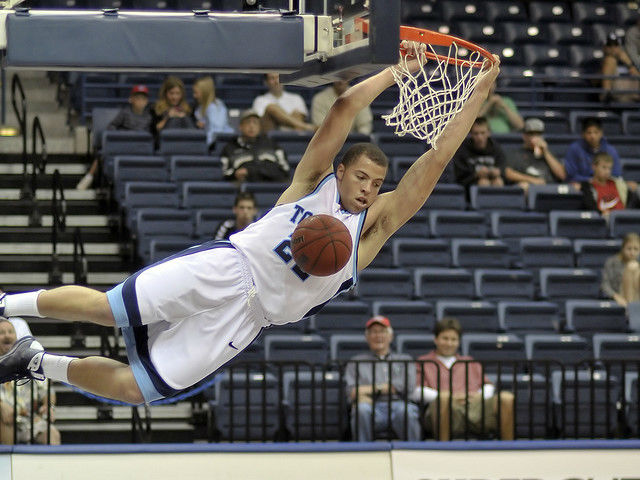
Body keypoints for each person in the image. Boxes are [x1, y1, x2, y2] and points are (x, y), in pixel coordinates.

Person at [0, 51, 501, 406]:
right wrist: (396, 71)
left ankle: (36, 361)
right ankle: (6, 303)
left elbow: (435, 161)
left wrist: (476, 94)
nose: (370, 189)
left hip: (249, 318)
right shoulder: (312, 182)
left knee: (140, 389)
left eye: (378, 183)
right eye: (363, 176)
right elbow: (346, 107)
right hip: (227, 265)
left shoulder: (369, 234)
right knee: (110, 310)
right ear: (342, 172)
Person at [414, 317, 514, 441]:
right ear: (436, 339)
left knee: (506, 398)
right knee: (444, 398)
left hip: (474, 406)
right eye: (445, 338)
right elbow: (416, 391)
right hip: (444, 408)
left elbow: (488, 385)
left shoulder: (469, 361)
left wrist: (480, 396)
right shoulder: (424, 361)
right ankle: (443, 450)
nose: (449, 343)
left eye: (453, 339)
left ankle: (508, 449)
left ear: (458, 342)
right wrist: (448, 396)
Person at [344, 316, 421, 441]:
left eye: (382, 331)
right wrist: (389, 388)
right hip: (370, 406)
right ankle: (362, 453)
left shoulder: (404, 360)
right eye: (373, 332)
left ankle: (414, 453)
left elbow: (407, 386)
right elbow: (352, 392)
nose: (378, 336)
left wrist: (369, 390)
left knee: (406, 411)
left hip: (398, 404)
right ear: (367, 337)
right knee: (361, 410)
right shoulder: (356, 361)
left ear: (390, 336)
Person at [76, 84, 153, 190]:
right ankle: (89, 177)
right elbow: (111, 126)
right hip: (123, 145)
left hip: (139, 148)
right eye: (138, 98)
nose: (140, 101)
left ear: (147, 101)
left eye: (143, 99)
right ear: (131, 99)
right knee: (103, 153)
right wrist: (121, 135)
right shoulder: (125, 113)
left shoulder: (148, 117)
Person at [0, 319, 60, 445]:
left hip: (29, 419)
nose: (7, 335)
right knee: (3, 423)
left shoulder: (30, 361)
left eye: (10, 332)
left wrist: (48, 406)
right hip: (5, 420)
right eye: (2, 332)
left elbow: (47, 391)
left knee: (52, 434)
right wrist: (1, 406)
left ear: (16, 337)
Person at [220, 109, 290, 183]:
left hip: (272, 187)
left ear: (259, 127)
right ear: (240, 127)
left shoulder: (272, 145)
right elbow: (225, 173)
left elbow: (285, 170)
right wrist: (235, 174)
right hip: (245, 188)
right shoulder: (230, 147)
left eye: (255, 123)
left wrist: (252, 171)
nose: (251, 126)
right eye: (248, 122)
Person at [504, 117, 566, 193]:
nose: (535, 137)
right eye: (532, 134)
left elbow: (562, 175)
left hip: (550, 189)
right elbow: (508, 173)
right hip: (531, 189)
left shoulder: (548, 154)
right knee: (524, 186)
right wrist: (532, 180)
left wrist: (546, 152)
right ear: (524, 136)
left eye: (538, 134)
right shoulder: (515, 153)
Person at [564, 117, 625, 189]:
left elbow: (616, 175)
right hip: (582, 186)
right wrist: (589, 181)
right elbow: (571, 175)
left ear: (601, 133)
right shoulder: (574, 149)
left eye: (596, 132)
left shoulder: (610, 151)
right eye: (589, 133)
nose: (592, 136)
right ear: (583, 134)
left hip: (605, 186)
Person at [452, 116, 506, 190]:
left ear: (489, 133)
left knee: (498, 181)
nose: (480, 137)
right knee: (483, 182)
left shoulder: (496, 148)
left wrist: (497, 172)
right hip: (470, 185)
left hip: (493, 180)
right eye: (476, 133)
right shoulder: (463, 150)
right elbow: (460, 176)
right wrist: (476, 175)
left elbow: (503, 168)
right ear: (471, 134)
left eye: (483, 133)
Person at [581, 152, 638, 217]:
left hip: (623, 220)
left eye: (609, 168)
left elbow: (632, 202)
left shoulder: (619, 184)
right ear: (594, 167)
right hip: (603, 221)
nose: (607, 172)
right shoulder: (588, 186)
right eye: (604, 167)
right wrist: (601, 213)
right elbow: (590, 207)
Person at [192, 76, 233, 148]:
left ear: (205, 92)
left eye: (196, 93)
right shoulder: (200, 107)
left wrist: (207, 147)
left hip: (221, 144)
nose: (194, 96)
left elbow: (217, 131)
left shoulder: (215, 107)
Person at [600, 32, 640, 103]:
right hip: (615, 99)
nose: (612, 48)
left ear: (620, 47)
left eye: (615, 45)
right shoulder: (603, 61)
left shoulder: (627, 62)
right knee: (610, 59)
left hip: (632, 98)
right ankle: (606, 93)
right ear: (604, 48)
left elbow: (637, 78)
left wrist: (628, 63)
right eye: (609, 45)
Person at [602, 233, 640, 307]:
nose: (632, 253)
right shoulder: (612, 262)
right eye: (629, 249)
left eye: (636, 249)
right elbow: (605, 285)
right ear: (623, 248)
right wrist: (615, 296)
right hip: (617, 297)